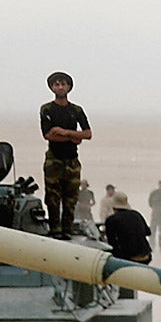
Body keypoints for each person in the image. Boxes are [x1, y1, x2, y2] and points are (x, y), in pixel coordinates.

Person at [40, 71, 92, 237]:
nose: (60, 87)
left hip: (72, 160)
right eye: (56, 84)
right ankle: (55, 229)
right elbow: (48, 135)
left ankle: (67, 230)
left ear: (69, 86)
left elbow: (88, 133)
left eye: (63, 84)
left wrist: (64, 132)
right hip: (53, 159)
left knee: (71, 198)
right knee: (52, 198)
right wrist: (74, 137)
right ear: (52, 87)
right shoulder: (47, 109)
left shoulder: (76, 110)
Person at [102, 190, 153, 263]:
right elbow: (148, 232)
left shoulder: (111, 220)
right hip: (146, 255)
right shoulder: (136, 214)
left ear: (113, 207)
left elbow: (111, 241)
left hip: (128, 258)